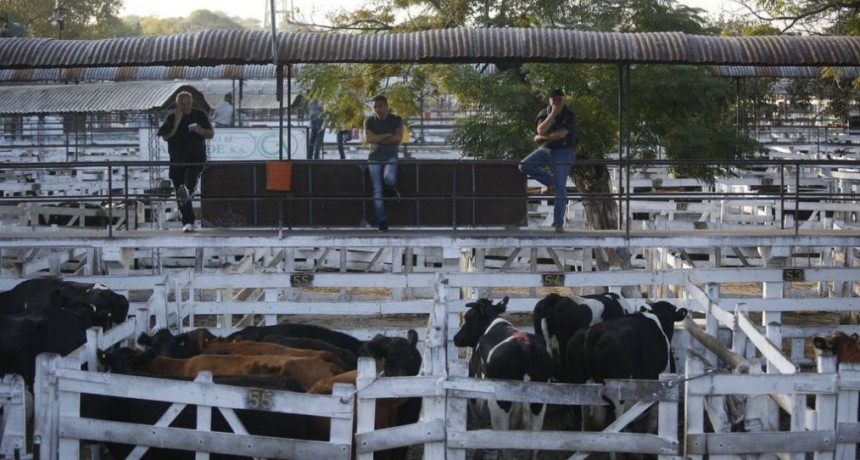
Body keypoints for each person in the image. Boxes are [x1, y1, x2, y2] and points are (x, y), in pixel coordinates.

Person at [519, 88, 576, 233]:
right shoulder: (544, 113)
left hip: (563, 151)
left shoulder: (569, 115)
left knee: (561, 189)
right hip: (546, 149)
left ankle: (558, 223)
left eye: (559, 99)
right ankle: (550, 181)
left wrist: (544, 136)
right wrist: (552, 114)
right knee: (524, 165)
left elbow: (561, 134)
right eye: (553, 99)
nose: (556, 102)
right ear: (549, 101)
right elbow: (540, 130)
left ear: (564, 100)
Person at [157, 91, 214, 233]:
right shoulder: (171, 117)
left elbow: (210, 134)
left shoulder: (199, 115)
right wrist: (176, 122)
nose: (186, 106)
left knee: (188, 183)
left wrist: (200, 130)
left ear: (192, 102)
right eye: (182, 104)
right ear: (178, 105)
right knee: (180, 192)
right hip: (176, 160)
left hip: (196, 158)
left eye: (188, 103)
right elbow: (165, 136)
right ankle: (188, 221)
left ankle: (190, 189)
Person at [364, 95, 403, 232]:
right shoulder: (369, 121)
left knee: (389, 177)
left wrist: (378, 139)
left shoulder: (396, 119)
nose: (377, 109)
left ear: (386, 106)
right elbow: (369, 138)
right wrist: (387, 134)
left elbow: (398, 138)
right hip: (374, 158)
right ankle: (382, 221)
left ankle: (391, 189)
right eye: (375, 107)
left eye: (380, 106)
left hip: (391, 156)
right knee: (377, 191)